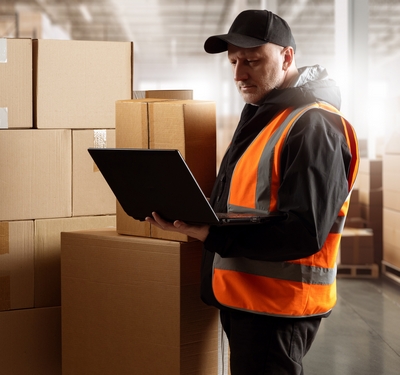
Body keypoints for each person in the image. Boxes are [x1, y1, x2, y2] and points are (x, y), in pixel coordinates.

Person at [146, 9, 359, 375]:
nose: (239, 74)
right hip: (247, 298)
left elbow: (303, 231)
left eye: (252, 61)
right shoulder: (265, 115)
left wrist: (212, 234)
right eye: (233, 62)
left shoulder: (313, 126)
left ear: (287, 57)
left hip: (277, 308)